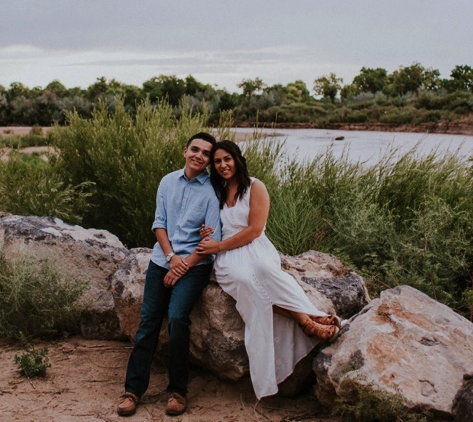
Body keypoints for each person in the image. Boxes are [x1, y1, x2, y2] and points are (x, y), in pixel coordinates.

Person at [195, 139, 339, 400]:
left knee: (266, 271)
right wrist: (209, 234)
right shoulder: (218, 190)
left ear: (237, 158)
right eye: (217, 161)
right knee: (244, 282)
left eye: (227, 159)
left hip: (254, 246)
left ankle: (307, 316)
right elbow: (216, 224)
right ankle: (305, 320)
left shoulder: (255, 186)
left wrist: (218, 246)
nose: (222, 165)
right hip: (228, 255)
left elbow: (254, 230)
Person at [117, 132, 222, 417]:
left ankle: (178, 391)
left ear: (210, 161)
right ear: (185, 151)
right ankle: (133, 390)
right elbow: (159, 224)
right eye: (195, 150)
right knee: (149, 321)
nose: (199, 156)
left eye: (206, 153)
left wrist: (183, 265)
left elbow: (212, 242)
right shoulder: (167, 181)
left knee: (176, 318)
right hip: (164, 260)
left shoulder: (212, 192)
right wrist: (171, 257)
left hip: (195, 266)